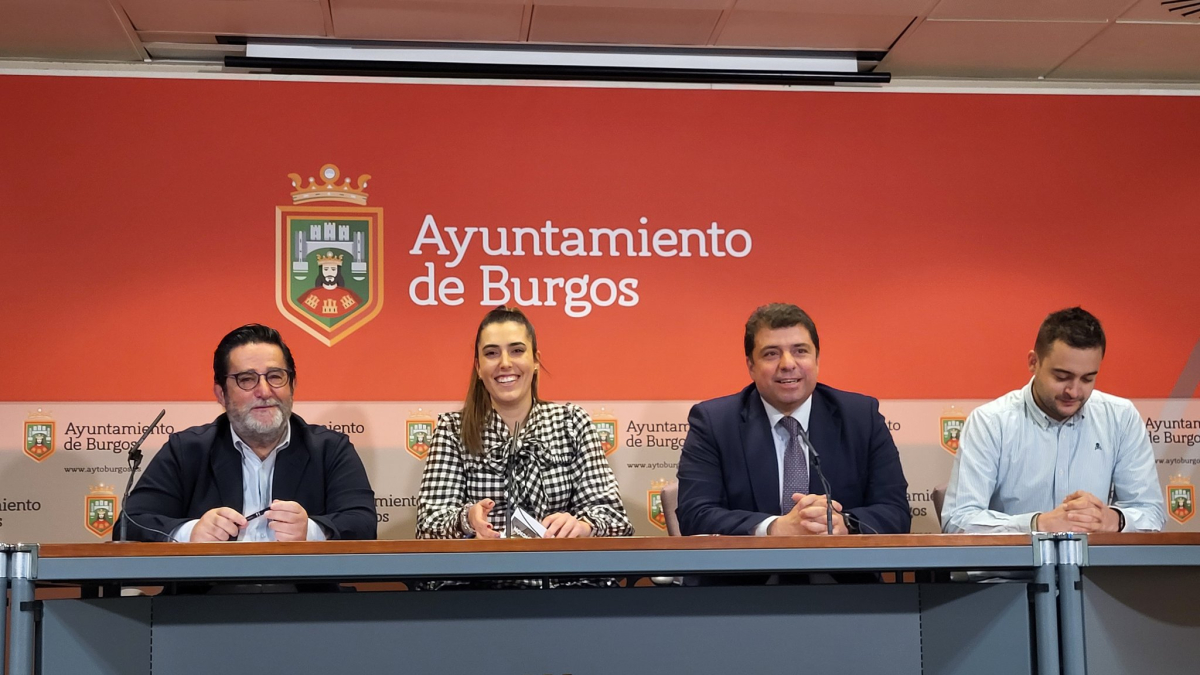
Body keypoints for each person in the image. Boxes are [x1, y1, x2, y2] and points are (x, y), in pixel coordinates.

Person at [124, 323, 376, 542]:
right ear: (221, 393)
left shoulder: (329, 450)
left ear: (293, 386)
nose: (264, 391)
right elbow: (130, 525)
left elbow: (363, 524)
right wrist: (190, 533)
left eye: (275, 377)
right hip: (209, 595)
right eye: (246, 379)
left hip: (305, 594)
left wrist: (312, 531)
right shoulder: (187, 450)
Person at [676, 303, 911, 537]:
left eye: (800, 351)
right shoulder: (714, 422)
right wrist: (774, 528)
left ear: (817, 359)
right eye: (771, 354)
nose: (788, 364)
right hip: (746, 572)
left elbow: (895, 511)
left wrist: (844, 524)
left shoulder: (861, 417)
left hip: (841, 571)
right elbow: (695, 514)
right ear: (751, 366)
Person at [942, 307, 1165, 533]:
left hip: (1094, 567)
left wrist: (1113, 519)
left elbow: (1151, 513)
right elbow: (958, 521)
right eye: (1061, 377)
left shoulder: (1121, 418)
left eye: (1088, 379)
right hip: (1010, 568)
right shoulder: (990, 422)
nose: (1074, 391)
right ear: (1033, 362)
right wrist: (1038, 524)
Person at [417, 306, 632, 540]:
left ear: (536, 360)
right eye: (491, 353)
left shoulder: (572, 423)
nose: (505, 363)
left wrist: (583, 526)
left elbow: (616, 519)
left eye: (517, 350)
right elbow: (427, 528)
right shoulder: (452, 430)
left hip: (563, 574)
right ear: (478, 368)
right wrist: (467, 520)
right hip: (483, 574)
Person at [297, 252, 362, 318]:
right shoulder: (310, 294)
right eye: (326, 269)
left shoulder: (348, 294)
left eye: (333, 269)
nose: (329, 273)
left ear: (338, 271)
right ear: (321, 271)